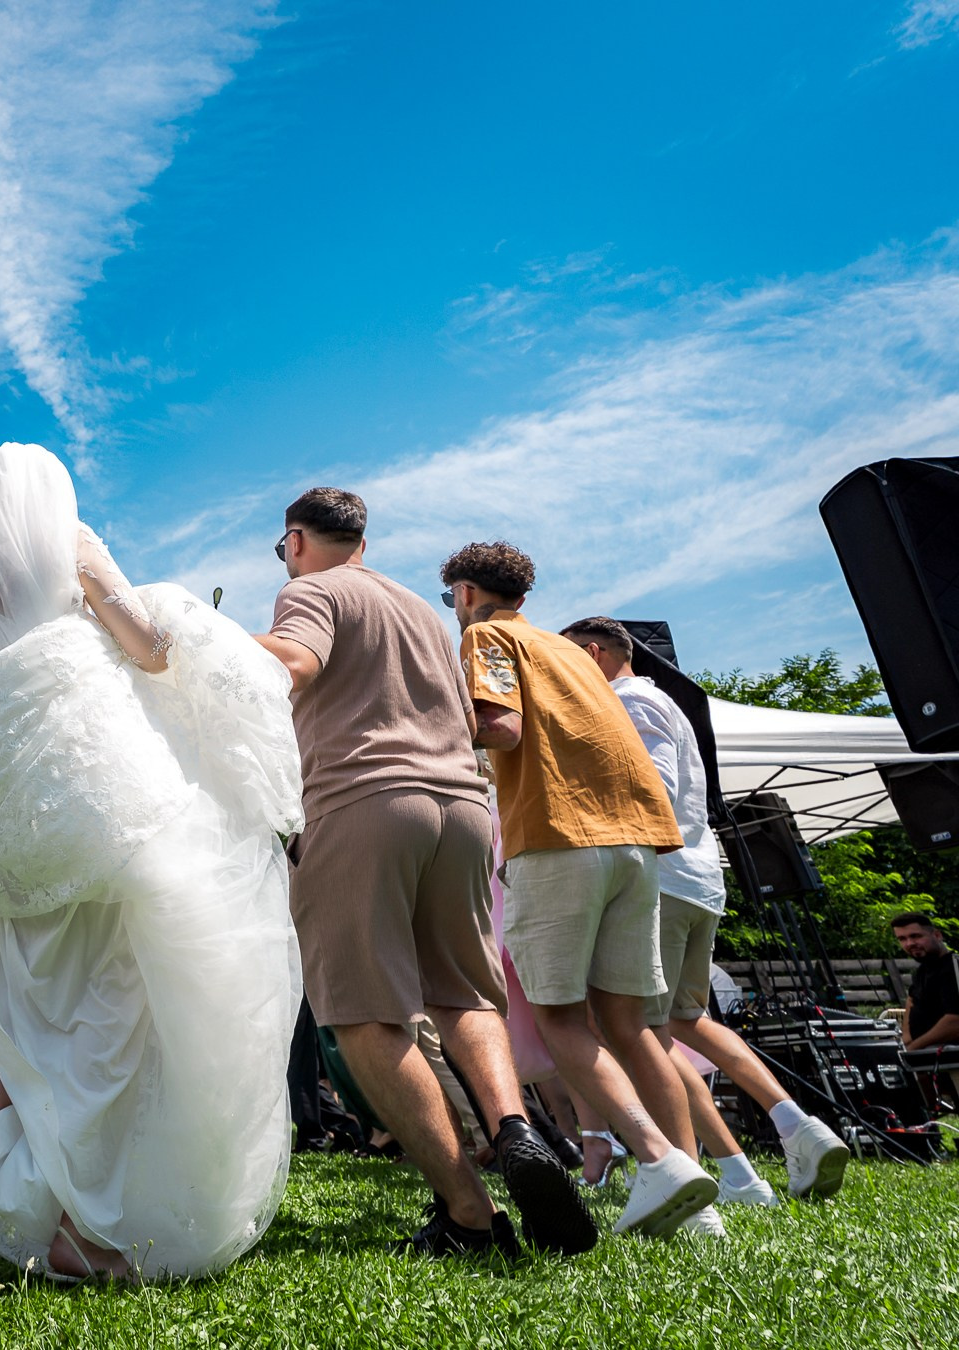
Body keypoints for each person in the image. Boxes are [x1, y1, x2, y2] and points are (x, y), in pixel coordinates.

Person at [0, 442, 303, 1283]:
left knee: (27, 1000)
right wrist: (174, 624)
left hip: (7, 828)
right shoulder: (70, 543)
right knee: (119, 1007)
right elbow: (147, 647)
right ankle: (82, 1226)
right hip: (100, 805)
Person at [251, 487, 591, 1258]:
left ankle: (469, 1213)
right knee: (465, 992)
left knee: (364, 1014)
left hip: (364, 802)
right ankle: (514, 1130)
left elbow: (296, 664)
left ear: (297, 540)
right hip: (463, 810)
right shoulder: (423, 610)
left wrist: (199, 636)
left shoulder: (307, 589)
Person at [442, 541, 715, 1239]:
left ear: (467, 593)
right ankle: (696, 1202)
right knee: (631, 1026)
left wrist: (429, 723)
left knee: (560, 1018)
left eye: (451, 599)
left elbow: (498, 726)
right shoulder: (568, 652)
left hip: (560, 836)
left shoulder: (485, 636)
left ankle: (659, 1162)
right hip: (636, 842)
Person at [562, 616, 850, 1208]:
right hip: (698, 881)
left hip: (659, 881)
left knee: (635, 1029)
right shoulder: (664, 701)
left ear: (593, 653)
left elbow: (657, 789)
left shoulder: (627, 701)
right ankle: (782, 1139)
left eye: (568, 662)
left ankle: (691, 1173)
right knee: (682, 1024)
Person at [893, 913, 959, 1051]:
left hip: (948, 1056)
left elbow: (955, 1022)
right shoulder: (923, 969)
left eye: (915, 936)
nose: (909, 943)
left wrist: (913, 1049)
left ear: (937, 935)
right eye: (902, 939)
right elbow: (911, 1001)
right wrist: (906, 1039)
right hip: (925, 1057)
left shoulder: (953, 968)